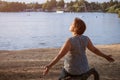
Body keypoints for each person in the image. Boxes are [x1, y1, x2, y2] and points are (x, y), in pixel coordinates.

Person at [43, 17, 115, 80]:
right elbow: (94, 50)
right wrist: (105, 56)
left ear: (75, 28)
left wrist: (49, 66)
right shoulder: (86, 39)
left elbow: (60, 55)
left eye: (72, 24)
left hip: (72, 71)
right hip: (84, 69)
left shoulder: (70, 40)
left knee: (63, 73)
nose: (70, 24)